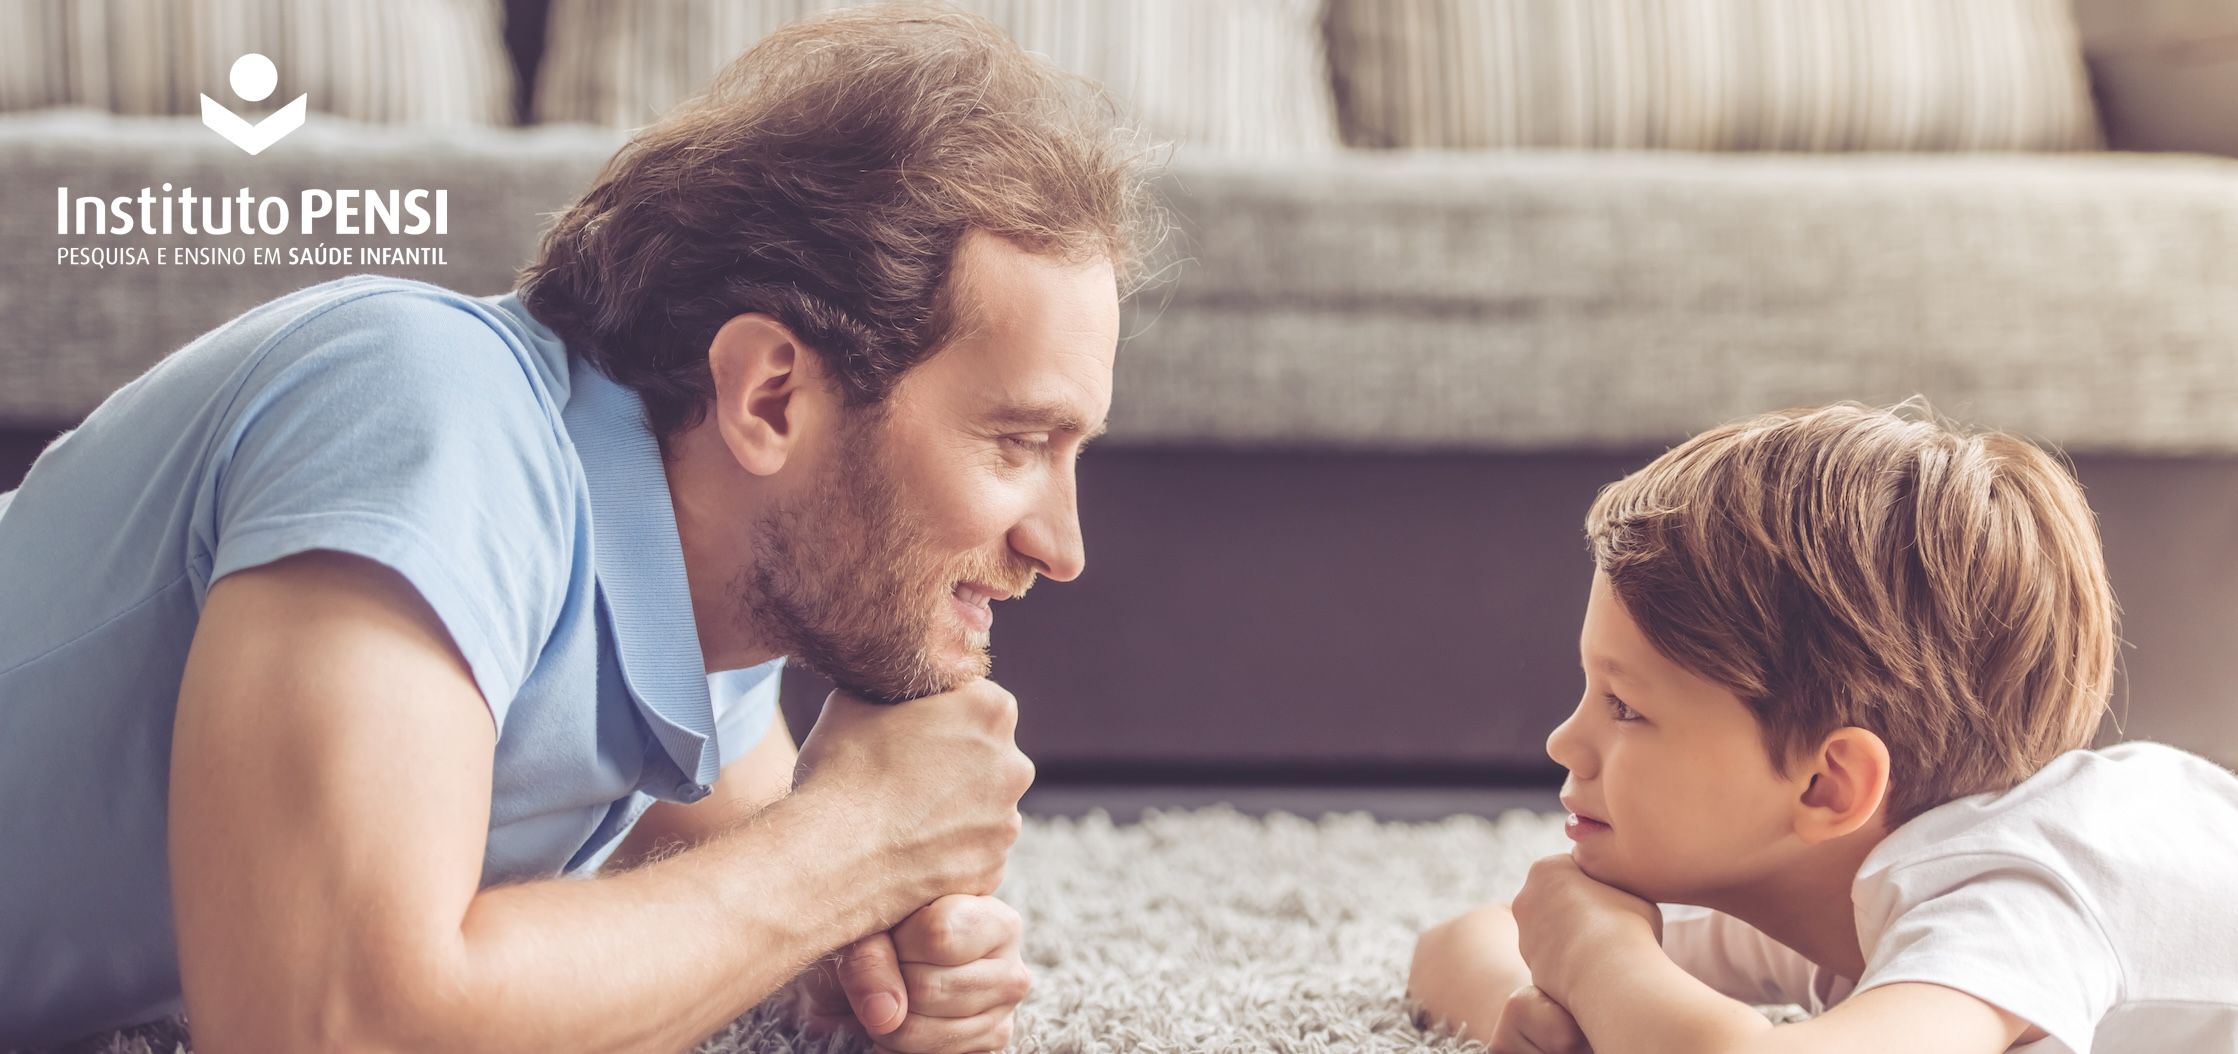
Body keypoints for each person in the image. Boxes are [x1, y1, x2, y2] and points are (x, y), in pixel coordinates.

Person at [0, 5, 1163, 1049]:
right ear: (770, 397)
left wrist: (861, 947)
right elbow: (325, 1020)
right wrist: (854, 847)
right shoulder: (426, 410)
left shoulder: (707, 616)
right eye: (1017, 442)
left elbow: (743, 877)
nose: (1060, 546)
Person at [1409, 403, 2238, 1053]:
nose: (1563, 740)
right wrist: (1532, 1008)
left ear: (1827, 786)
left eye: (1626, 706)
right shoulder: (1825, 879)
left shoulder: (2009, 898)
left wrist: (1597, 960)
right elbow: (1458, 943)